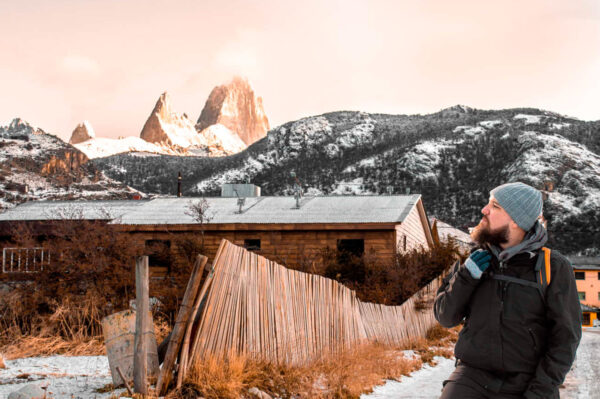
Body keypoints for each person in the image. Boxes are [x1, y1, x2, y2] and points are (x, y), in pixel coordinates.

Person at [434, 182, 582, 399]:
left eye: (494, 206)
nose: (484, 210)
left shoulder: (553, 267)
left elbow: (565, 339)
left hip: (529, 379)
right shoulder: (474, 260)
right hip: (473, 375)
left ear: (515, 220)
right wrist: (466, 276)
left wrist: (539, 391)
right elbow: (445, 316)